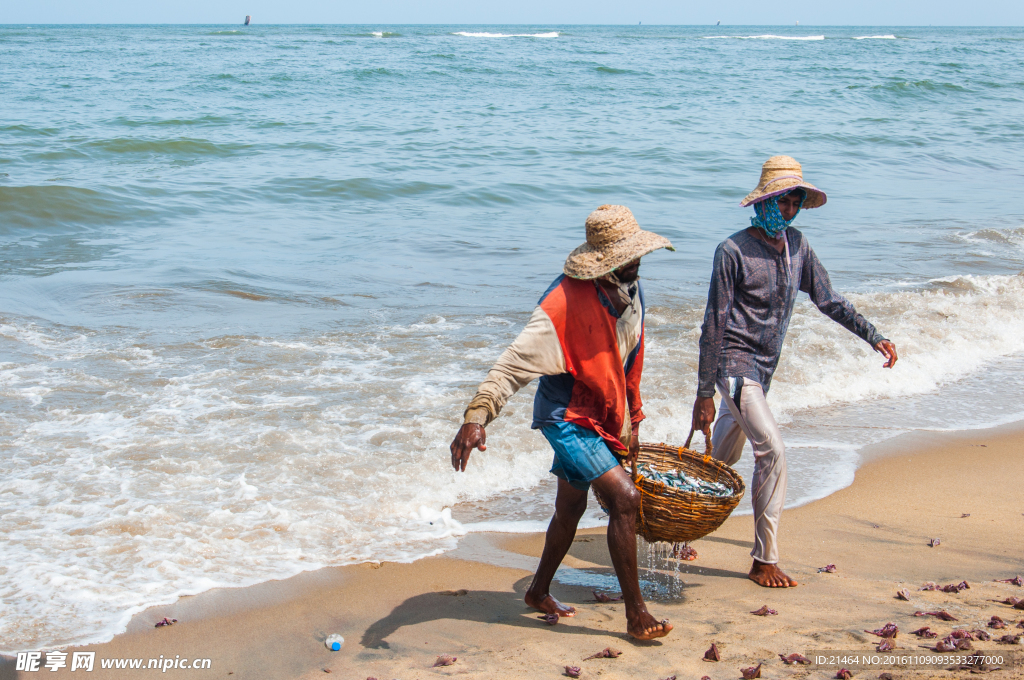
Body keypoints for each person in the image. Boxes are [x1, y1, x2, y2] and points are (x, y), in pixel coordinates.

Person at [449, 205, 675, 640]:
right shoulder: (562, 304)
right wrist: (477, 416)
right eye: (628, 257)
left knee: (570, 507)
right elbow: (511, 365)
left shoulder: (632, 291)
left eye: (637, 254)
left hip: (603, 416)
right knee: (625, 500)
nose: (638, 263)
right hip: (567, 417)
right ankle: (636, 615)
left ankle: (537, 591)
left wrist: (633, 424)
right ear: (605, 263)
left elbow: (630, 364)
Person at [691, 156, 898, 588]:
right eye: (782, 201)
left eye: (795, 202)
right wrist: (704, 392)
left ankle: (674, 529)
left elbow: (828, 299)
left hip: (763, 372)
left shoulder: (798, 247)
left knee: (720, 461)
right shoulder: (731, 251)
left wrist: (872, 334)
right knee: (772, 451)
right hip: (735, 367)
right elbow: (713, 322)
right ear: (764, 200)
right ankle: (764, 559)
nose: (787, 211)